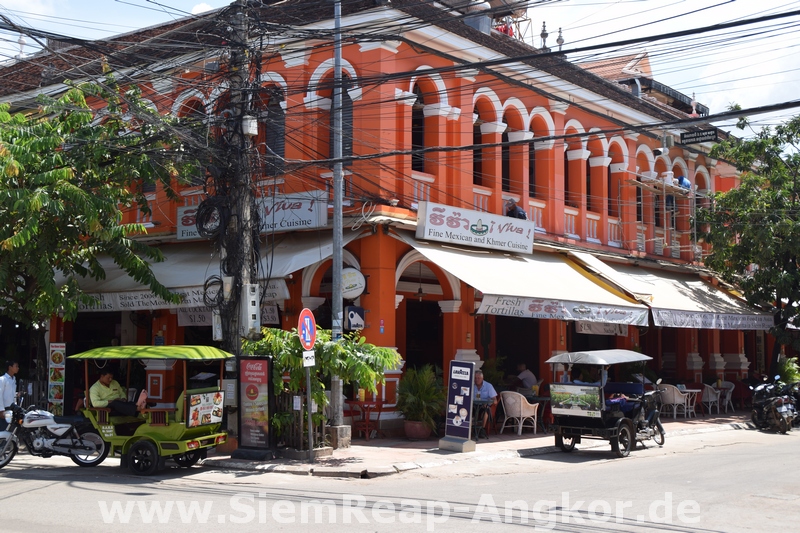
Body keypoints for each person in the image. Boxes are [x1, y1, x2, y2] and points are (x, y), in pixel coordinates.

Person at [473, 370, 498, 437]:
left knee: (485, 411)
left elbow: (495, 400)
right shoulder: (471, 385)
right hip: (473, 405)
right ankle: (471, 429)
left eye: (478, 378)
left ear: (482, 378)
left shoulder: (488, 386)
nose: (476, 380)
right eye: (475, 378)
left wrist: (488, 403)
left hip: (484, 406)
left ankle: (482, 429)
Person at [0, 360, 19, 431]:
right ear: (10, 367)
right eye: (16, 366)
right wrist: (1, 410)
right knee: (3, 428)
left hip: (12, 408)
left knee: (11, 429)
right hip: (5, 409)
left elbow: (11, 393)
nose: (17, 368)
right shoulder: (2, 379)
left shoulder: (13, 379)